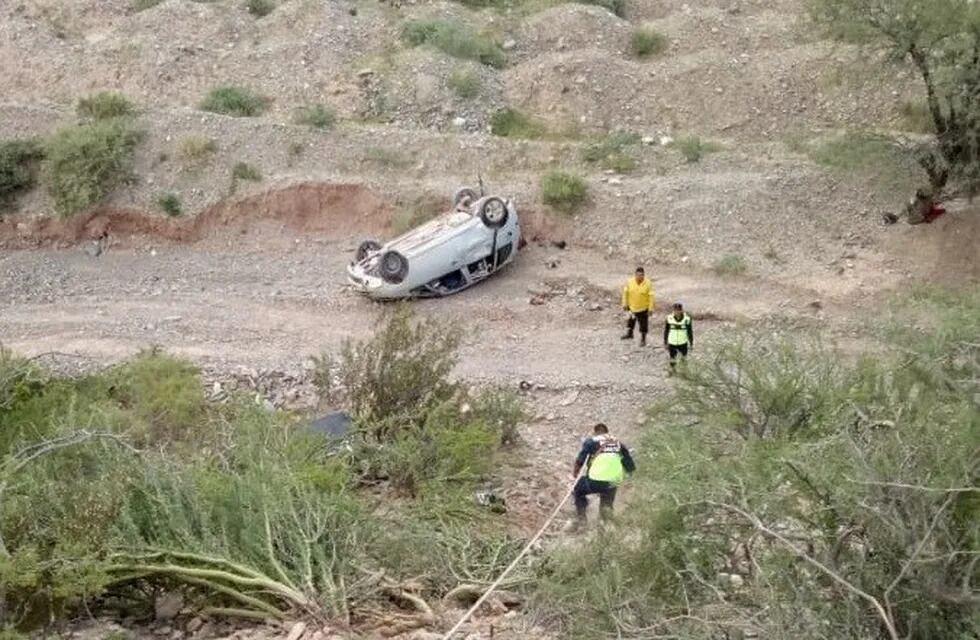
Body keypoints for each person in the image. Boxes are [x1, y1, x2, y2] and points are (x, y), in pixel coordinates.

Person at [570, 423, 636, 530]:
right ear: (607, 432)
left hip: (595, 481)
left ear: (595, 432)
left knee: (578, 490)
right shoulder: (618, 443)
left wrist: (575, 474)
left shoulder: (591, 442)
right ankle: (604, 526)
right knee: (606, 504)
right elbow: (630, 465)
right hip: (613, 482)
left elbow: (580, 461)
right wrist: (629, 476)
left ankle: (582, 520)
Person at [620, 267, 655, 346]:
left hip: (643, 308)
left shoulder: (648, 283)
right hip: (632, 307)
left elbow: (651, 297)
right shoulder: (629, 282)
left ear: (644, 275)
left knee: (643, 324)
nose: (639, 277)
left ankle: (643, 339)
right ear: (635, 275)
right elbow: (625, 293)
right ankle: (630, 334)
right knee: (631, 321)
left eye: (641, 275)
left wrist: (650, 308)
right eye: (638, 275)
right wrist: (625, 304)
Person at [664, 302, 693, 373]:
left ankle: (684, 371)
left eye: (678, 310)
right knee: (672, 357)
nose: (677, 312)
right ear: (673, 310)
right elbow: (666, 330)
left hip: (683, 342)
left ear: (681, 310)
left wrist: (691, 342)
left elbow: (690, 331)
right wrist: (665, 342)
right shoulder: (669, 318)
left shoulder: (687, 319)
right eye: (675, 310)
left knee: (684, 358)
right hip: (672, 342)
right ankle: (672, 370)